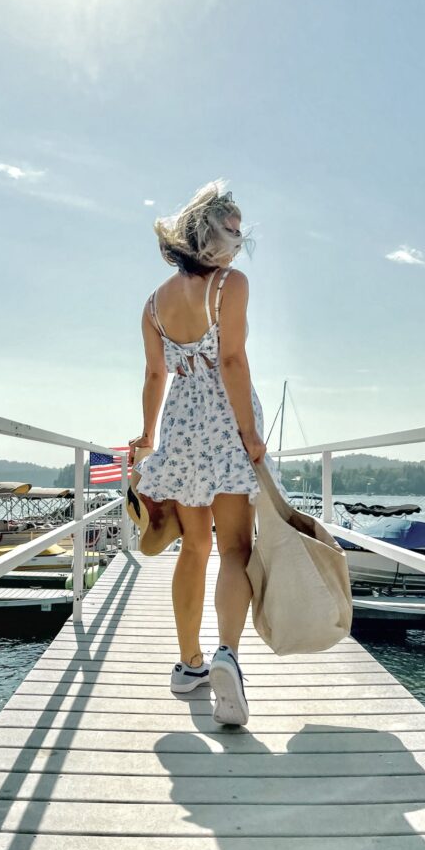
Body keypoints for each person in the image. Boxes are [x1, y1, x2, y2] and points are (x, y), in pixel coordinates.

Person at [128, 180, 274, 726]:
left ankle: (188, 664)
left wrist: (146, 440)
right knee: (235, 549)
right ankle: (226, 658)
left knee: (193, 548)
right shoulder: (230, 286)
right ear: (208, 235)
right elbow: (232, 362)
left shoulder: (154, 304)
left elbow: (154, 374)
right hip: (227, 423)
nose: (239, 241)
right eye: (232, 230)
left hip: (182, 427)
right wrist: (251, 438)